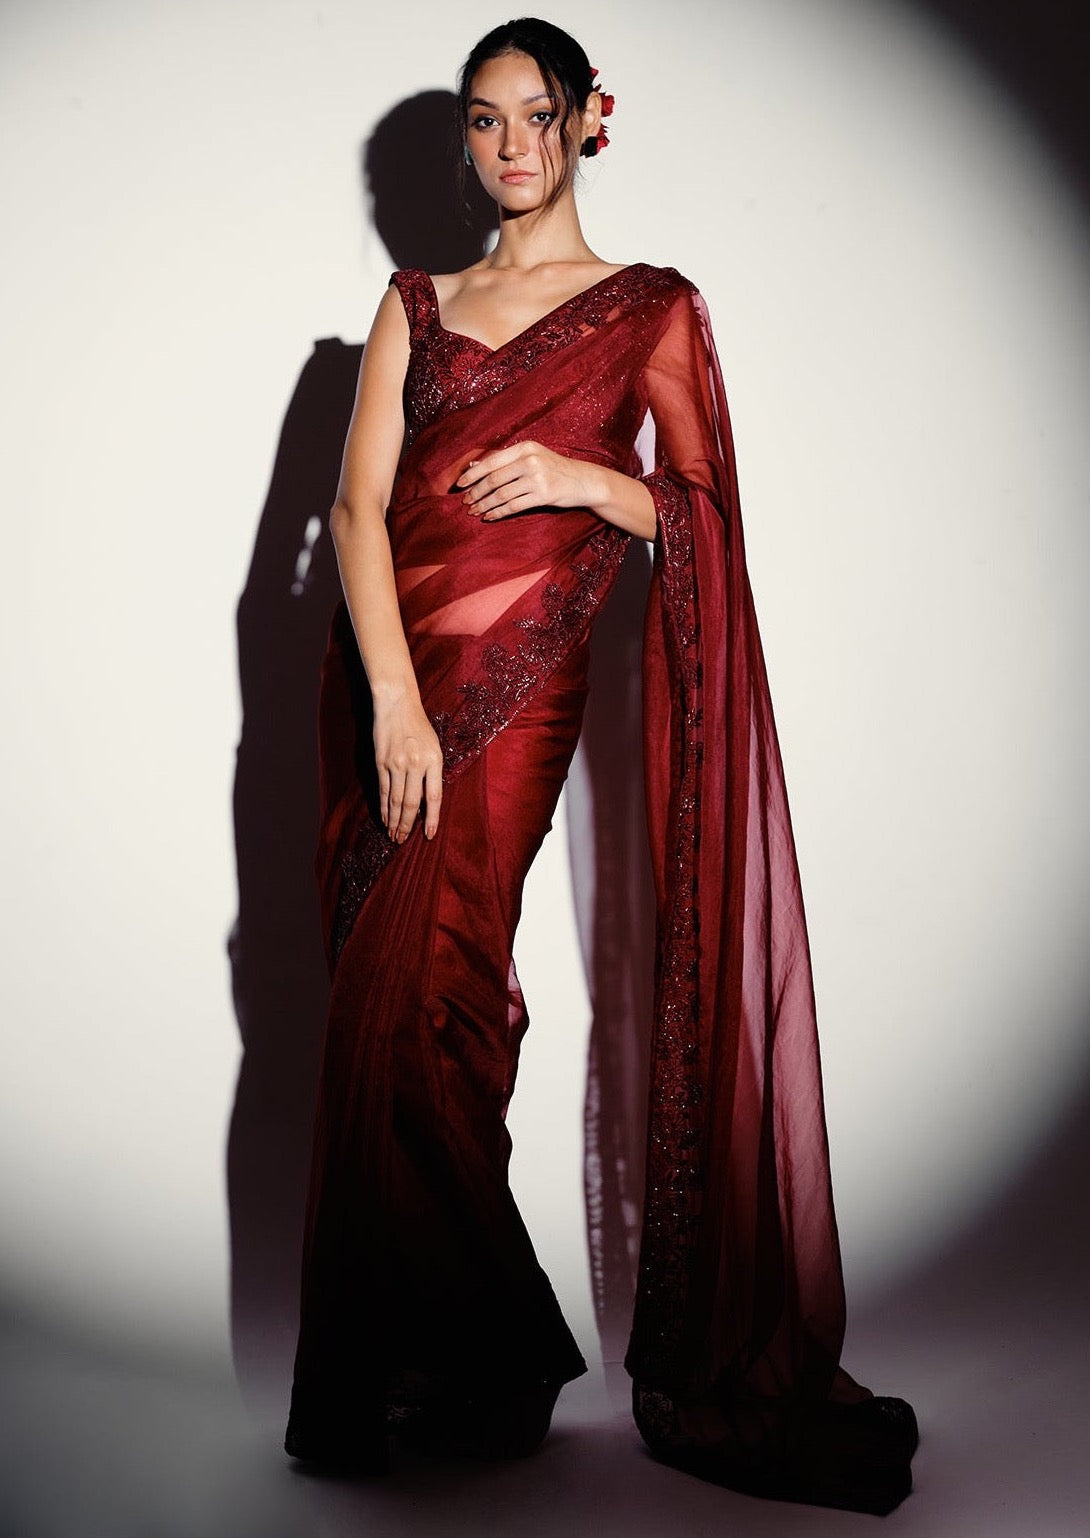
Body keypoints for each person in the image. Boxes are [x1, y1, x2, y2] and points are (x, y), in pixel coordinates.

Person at [285, 16, 919, 1514]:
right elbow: (357, 509)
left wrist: (589, 478)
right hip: (384, 688)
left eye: (535, 115)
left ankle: (478, 1354)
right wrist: (391, 701)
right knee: (382, 1001)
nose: (510, 146)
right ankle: (466, 1355)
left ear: (587, 121)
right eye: (482, 120)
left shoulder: (650, 309)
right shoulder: (418, 302)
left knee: (447, 994)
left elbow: (702, 517)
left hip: (518, 694)